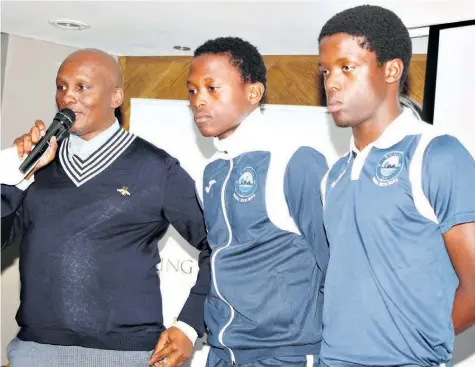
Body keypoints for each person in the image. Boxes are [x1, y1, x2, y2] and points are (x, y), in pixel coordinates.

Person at [1, 48, 211, 367]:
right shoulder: (35, 166)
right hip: (36, 350)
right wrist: (12, 178)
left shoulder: (156, 168)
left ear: (116, 96)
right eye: (61, 87)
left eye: (82, 87)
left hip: (126, 355)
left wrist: (189, 326)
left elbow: (221, 248)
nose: (68, 97)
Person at [317, 5, 475, 367]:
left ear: (391, 70)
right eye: (325, 71)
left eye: (346, 67)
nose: (331, 83)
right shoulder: (334, 176)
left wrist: (418, 348)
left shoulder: (435, 154)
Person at [179, 36, 329, 367]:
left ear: (253, 92)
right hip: (221, 353)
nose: (199, 101)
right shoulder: (210, 172)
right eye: (192, 91)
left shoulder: (294, 160)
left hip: (284, 354)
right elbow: (218, 258)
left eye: (212, 88)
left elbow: (335, 263)